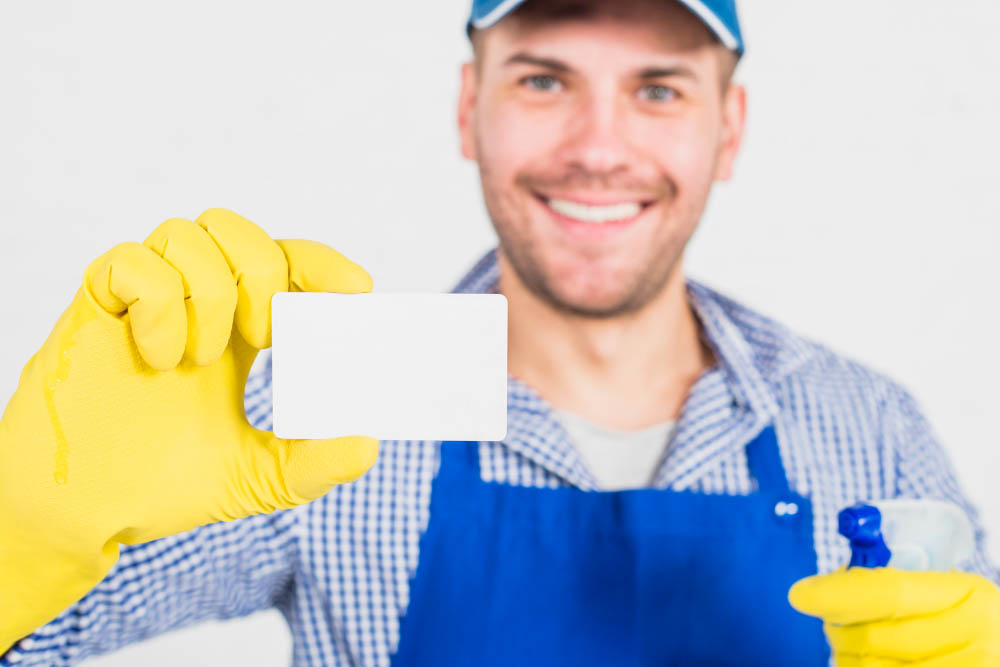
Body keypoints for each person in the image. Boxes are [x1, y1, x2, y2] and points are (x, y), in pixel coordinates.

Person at [1, 0, 998, 665]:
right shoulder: (330, 410)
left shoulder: (864, 424)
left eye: (657, 88)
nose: (599, 148)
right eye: (542, 81)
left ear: (726, 128)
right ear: (469, 108)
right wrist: (20, 533)